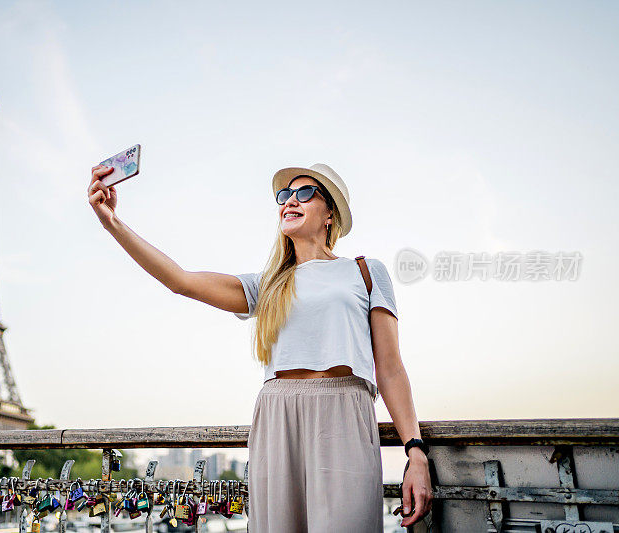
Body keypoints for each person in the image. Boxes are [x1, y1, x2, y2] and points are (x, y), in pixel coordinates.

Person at [87, 162, 432, 532]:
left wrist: (416, 450)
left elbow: (391, 368)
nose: (289, 201)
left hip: (343, 414)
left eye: (304, 193)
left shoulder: (365, 272)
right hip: (276, 415)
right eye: (284, 196)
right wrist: (112, 223)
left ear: (330, 212)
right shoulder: (267, 285)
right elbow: (180, 281)